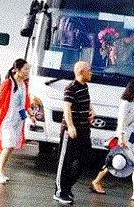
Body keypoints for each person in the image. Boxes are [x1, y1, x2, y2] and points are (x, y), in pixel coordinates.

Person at [91, 79, 134, 203]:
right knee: (119, 162)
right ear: (133, 90)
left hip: (132, 138)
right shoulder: (126, 104)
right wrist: (121, 137)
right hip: (125, 138)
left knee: (133, 164)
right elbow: (121, 121)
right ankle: (97, 181)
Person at [0, 58, 36, 183]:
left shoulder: (24, 84)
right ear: (17, 69)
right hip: (7, 119)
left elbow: (26, 102)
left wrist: (31, 115)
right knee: (8, 145)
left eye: (28, 69)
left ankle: (1, 170)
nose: (27, 72)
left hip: (18, 120)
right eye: (25, 69)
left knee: (12, 146)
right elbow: (0, 102)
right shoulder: (8, 83)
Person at [54, 60, 96, 205]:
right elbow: (66, 108)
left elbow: (86, 101)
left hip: (84, 129)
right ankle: (60, 192)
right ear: (80, 72)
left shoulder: (85, 87)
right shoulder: (70, 88)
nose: (91, 73)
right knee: (65, 161)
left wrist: (92, 110)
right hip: (71, 130)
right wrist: (70, 126)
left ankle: (67, 186)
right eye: (89, 70)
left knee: (86, 159)